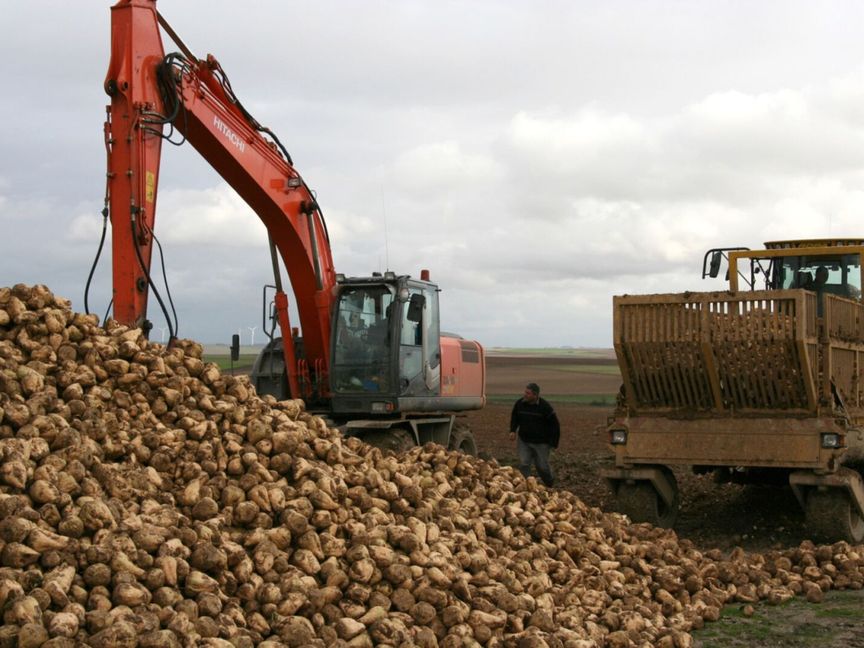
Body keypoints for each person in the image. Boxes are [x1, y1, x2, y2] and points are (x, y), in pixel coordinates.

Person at [509, 382, 560, 486]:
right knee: (524, 463)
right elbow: (515, 417)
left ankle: (550, 483)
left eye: (528, 393)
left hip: (541, 443)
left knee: (542, 466)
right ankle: (526, 486)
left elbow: (555, 425)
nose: (525, 395)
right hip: (524, 440)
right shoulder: (520, 404)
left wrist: (554, 443)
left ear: (535, 395)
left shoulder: (545, 407)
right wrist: (513, 430)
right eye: (525, 392)